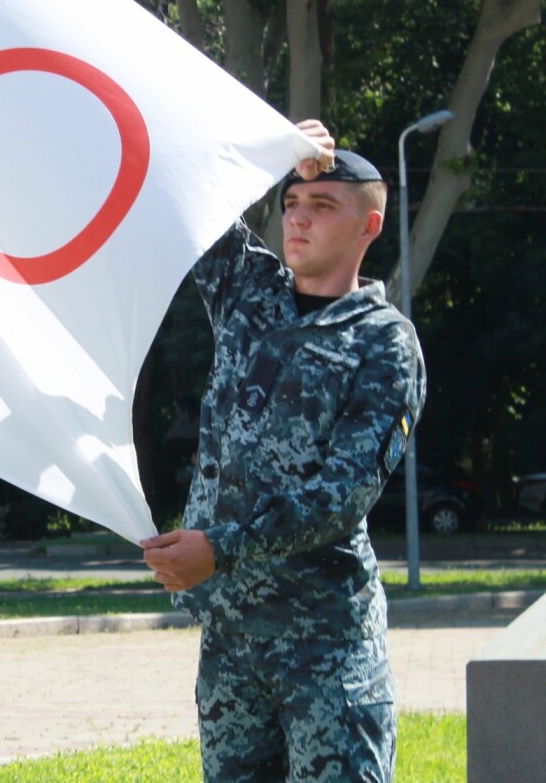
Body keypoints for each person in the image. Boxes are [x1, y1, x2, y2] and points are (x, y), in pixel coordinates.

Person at [140, 121, 426, 782]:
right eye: (292, 203)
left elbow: (342, 495)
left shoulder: (384, 343)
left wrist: (221, 546)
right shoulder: (248, 291)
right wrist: (259, 141)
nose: (298, 219)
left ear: (369, 226)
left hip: (325, 646)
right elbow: (184, 180)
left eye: (322, 207)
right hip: (232, 643)